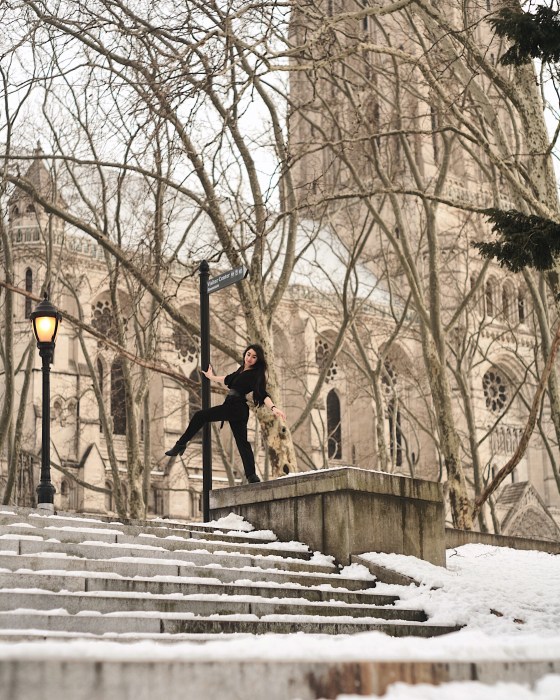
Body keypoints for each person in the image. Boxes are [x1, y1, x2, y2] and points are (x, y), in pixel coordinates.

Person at [165, 344, 286, 483]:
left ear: (257, 360)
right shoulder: (241, 370)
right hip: (235, 408)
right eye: (248, 354)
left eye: (254, 357)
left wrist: (273, 408)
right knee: (243, 443)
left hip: (236, 407)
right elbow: (227, 379)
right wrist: (211, 377)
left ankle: (180, 444)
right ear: (245, 354)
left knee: (200, 416)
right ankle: (252, 476)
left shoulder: (255, 375)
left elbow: (263, 394)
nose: (249, 358)